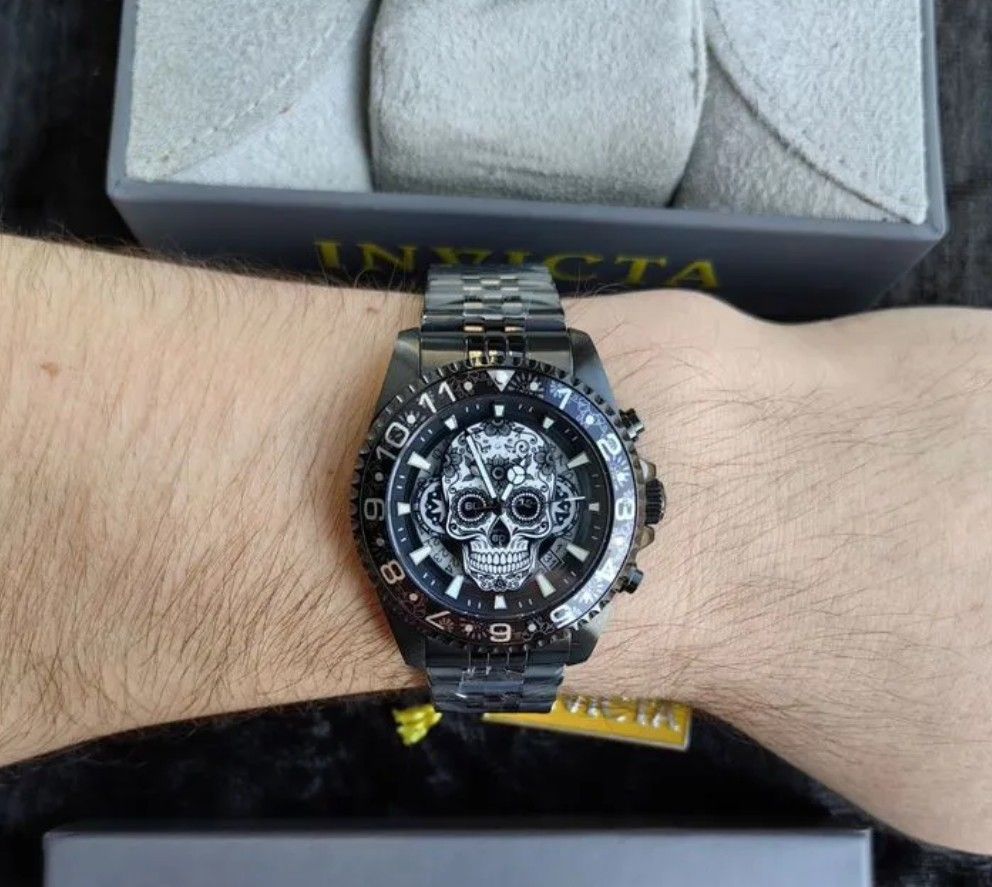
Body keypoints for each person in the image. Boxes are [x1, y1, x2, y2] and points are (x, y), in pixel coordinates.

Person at [0, 233, 989, 854]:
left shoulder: (581, 525)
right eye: (474, 508)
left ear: (635, 505)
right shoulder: (416, 490)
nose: (505, 531)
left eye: (522, 508)